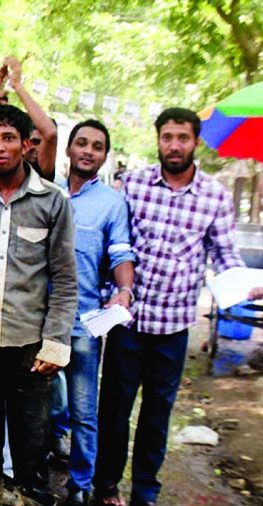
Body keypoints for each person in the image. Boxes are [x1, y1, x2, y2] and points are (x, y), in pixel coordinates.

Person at [93, 108, 245, 506]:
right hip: (128, 321)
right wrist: (112, 289)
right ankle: (106, 486)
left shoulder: (214, 196)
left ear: (195, 142)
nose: (174, 145)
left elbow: (225, 255)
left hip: (174, 327)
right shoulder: (136, 184)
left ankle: (145, 491)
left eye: (182, 137)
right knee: (114, 411)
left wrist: (246, 285)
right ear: (158, 140)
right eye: (167, 137)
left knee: (157, 416)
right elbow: (116, 243)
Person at [0, 103, 78, 506]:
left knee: (30, 450)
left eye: (8, 139)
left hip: (30, 349)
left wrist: (56, 343)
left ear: (26, 146)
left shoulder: (53, 201)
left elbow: (65, 278)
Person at [58, 119, 135, 506]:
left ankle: (80, 485)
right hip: (41, 322)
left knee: (83, 410)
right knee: (40, 407)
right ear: (69, 149)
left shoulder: (112, 203)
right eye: (82, 143)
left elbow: (121, 252)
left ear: (105, 156)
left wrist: (124, 290)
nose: (88, 150)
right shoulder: (47, 192)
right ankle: (32, 473)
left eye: (98, 146)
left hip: (85, 322)